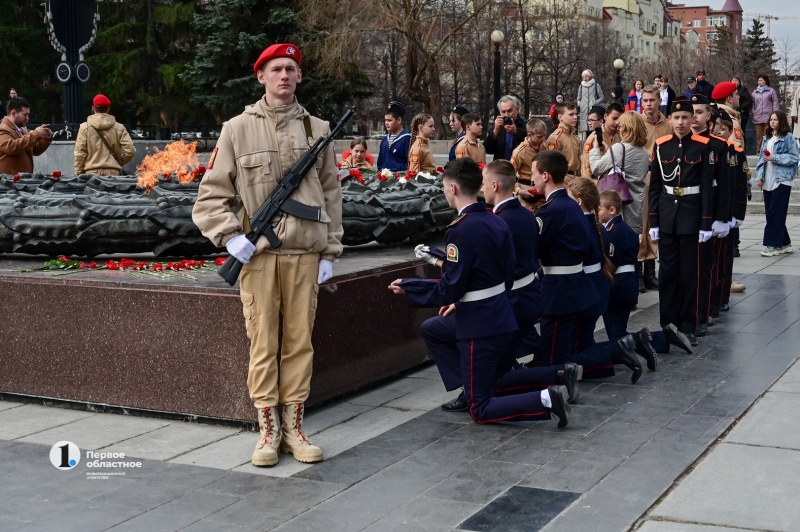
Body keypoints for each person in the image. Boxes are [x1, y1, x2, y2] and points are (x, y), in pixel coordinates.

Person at [191, 43, 342, 467]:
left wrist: (331, 249)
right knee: (263, 343)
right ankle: (268, 432)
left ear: (299, 77)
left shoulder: (318, 129)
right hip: (257, 257)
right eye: (276, 69)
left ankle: (294, 427)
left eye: (291, 69)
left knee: (299, 344)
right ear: (261, 76)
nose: (284, 76)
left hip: (304, 255)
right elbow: (210, 198)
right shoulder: (237, 129)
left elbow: (332, 195)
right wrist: (229, 237)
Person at [389, 158, 572, 426]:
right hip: (501, 312)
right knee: (485, 382)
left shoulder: (462, 230)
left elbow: (451, 287)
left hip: (480, 323)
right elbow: (505, 272)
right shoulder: (495, 220)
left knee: (480, 408)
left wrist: (411, 288)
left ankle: (546, 400)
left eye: (443, 187)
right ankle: (535, 386)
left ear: (452, 188)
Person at [563, 177, 656, 383]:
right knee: (591, 342)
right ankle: (632, 344)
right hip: (614, 287)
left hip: (614, 287)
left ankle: (629, 345)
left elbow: (611, 260)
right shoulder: (605, 229)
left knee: (608, 336)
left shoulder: (609, 230)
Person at [519, 150, 600, 366]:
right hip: (574, 284)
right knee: (563, 350)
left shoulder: (551, 211)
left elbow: (533, 246)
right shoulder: (570, 204)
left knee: (553, 355)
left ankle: (557, 391)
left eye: (534, 173)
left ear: (545, 175)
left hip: (558, 290)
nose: (531, 178)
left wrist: (525, 209)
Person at [648, 98, 716, 346]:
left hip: (692, 215)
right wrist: (654, 221)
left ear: (692, 120)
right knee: (667, 274)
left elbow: (708, 187)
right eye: (676, 118)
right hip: (668, 217)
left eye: (685, 117)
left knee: (689, 274)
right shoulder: (661, 145)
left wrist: (706, 223)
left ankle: (688, 325)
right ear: (670, 120)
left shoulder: (703, 146)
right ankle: (668, 325)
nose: (681, 122)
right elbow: (655, 187)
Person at [599, 190, 694, 356]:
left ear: (612, 210)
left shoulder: (614, 232)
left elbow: (611, 262)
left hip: (618, 287)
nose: (596, 212)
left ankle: (662, 338)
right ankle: (663, 338)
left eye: (599, 209)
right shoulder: (621, 229)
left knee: (617, 337)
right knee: (617, 334)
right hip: (624, 286)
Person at [690, 95, 731, 332]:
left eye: (698, 112)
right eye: (691, 112)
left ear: (708, 116)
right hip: (686, 213)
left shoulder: (718, 146)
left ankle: (706, 309)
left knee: (707, 265)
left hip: (710, 213)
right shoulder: (677, 144)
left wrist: (722, 218)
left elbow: (725, 185)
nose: (694, 117)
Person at [589, 111, 650, 236]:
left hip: (620, 208)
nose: (618, 129)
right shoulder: (644, 152)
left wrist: (595, 149)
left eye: (620, 126)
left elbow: (596, 168)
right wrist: (608, 152)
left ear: (627, 128)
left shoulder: (619, 148)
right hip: (635, 206)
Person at [713, 110, 749, 313]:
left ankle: (723, 293)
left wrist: (739, 214)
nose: (720, 132)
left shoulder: (736, 152)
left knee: (725, 257)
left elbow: (739, 185)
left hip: (730, 212)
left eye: (724, 129)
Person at [640, 85, 673, 292]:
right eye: (645, 101)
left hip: (661, 174)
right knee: (641, 223)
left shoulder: (667, 125)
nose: (649, 104)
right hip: (642, 174)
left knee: (655, 221)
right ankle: (639, 272)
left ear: (659, 100)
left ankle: (650, 271)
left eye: (652, 100)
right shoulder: (636, 122)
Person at [756, 110, 798, 257]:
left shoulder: (788, 137)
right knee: (772, 213)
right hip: (768, 179)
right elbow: (762, 159)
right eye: (770, 119)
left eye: (775, 119)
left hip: (782, 180)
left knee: (775, 213)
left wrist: (775, 157)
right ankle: (785, 243)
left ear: (781, 121)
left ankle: (771, 246)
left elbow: (794, 157)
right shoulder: (767, 138)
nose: (772, 122)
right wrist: (760, 176)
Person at [73, 94, 136, 176]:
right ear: (108, 108)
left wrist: (79, 173)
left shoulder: (84, 128)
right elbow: (130, 150)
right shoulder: (119, 128)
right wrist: (119, 161)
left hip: (91, 174)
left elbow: (80, 153)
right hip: (113, 173)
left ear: (93, 108)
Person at [0, 97, 52, 174]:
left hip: (21, 180)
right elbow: (11, 147)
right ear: (13, 113)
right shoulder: (3, 128)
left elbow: (33, 150)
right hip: (9, 181)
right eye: (25, 115)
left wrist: (45, 140)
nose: (27, 118)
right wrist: (35, 134)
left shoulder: (23, 129)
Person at [581, 103, 622, 178]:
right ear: (605, 116)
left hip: (617, 181)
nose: (617, 123)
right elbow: (586, 166)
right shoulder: (594, 137)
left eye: (619, 119)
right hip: (599, 181)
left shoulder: (622, 136)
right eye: (614, 118)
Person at [485, 95, 526, 161]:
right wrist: (495, 132)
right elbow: (488, 150)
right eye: (503, 112)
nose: (507, 114)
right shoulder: (496, 127)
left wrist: (516, 132)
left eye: (510, 111)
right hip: (501, 168)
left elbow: (532, 142)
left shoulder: (525, 125)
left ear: (517, 109)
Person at [546, 104, 581, 175]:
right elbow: (552, 165)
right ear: (560, 117)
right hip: (563, 178)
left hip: (577, 178)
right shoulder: (555, 138)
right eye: (571, 115)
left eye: (575, 114)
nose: (575, 117)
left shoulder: (575, 137)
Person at [377, 101, 410, 172]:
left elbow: (410, 164)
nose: (386, 123)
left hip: (400, 179)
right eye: (385, 120)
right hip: (384, 180)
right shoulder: (385, 140)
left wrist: (394, 170)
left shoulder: (407, 139)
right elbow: (380, 163)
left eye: (389, 120)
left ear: (399, 120)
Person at [751, 75, 781, 154]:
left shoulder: (771, 91)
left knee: (767, 134)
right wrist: (753, 111)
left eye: (761, 80)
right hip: (757, 116)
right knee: (759, 136)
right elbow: (752, 104)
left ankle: (767, 150)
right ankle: (758, 151)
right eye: (759, 80)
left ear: (765, 81)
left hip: (769, 116)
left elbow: (775, 103)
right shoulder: (755, 92)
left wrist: (775, 113)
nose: (760, 82)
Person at [712, 81, 744, 150]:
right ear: (729, 98)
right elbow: (736, 148)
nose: (739, 97)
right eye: (736, 94)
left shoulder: (713, 115)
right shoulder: (730, 119)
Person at [577, 70, 604, 139]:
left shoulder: (595, 85)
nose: (584, 78)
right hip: (584, 110)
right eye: (583, 77)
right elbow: (578, 98)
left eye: (586, 76)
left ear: (590, 76)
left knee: (593, 128)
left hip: (593, 110)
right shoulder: (581, 86)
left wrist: (594, 103)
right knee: (585, 130)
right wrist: (581, 104)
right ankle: (587, 145)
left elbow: (602, 97)